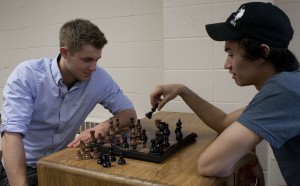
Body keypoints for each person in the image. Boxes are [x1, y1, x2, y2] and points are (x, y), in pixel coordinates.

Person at [150, 2, 299, 186]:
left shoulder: (282, 91)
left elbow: (210, 165)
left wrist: (248, 158)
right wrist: (182, 90)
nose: (226, 65)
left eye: (231, 53)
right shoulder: (290, 84)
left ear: (262, 53)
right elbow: (224, 123)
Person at [0, 19, 137, 186]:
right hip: (24, 167)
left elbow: (129, 114)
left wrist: (103, 127)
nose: (93, 67)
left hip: (63, 162)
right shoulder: (27, 75)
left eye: (97, 60)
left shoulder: (98, 77)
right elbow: (12, 134)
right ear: (65, 52)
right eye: (87, 60)